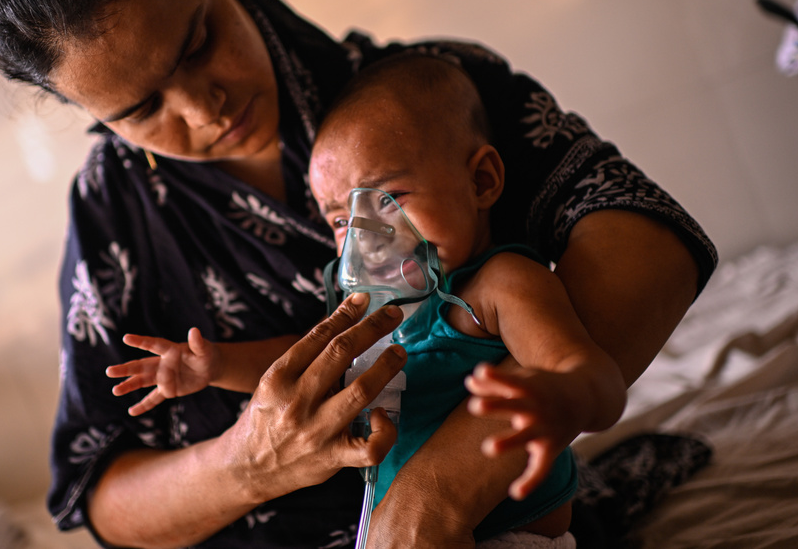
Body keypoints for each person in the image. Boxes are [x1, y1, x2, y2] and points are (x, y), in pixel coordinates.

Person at [0, 0, 716, 546]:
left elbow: (646, 242)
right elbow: (99, 495)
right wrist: (247, 465)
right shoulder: (113, 217)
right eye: (140, 108)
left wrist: (440, 485)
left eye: (197, 43)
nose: (202, 106)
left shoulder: (429, 97)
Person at [108, 53, 629, 546]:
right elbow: (306, 369)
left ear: (481, 180)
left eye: (389, 198)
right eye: (340, 220)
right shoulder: (379, 315)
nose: (367, 236)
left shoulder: (501, 286)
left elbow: (596, 376)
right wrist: (216, 364)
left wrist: (563, 400)